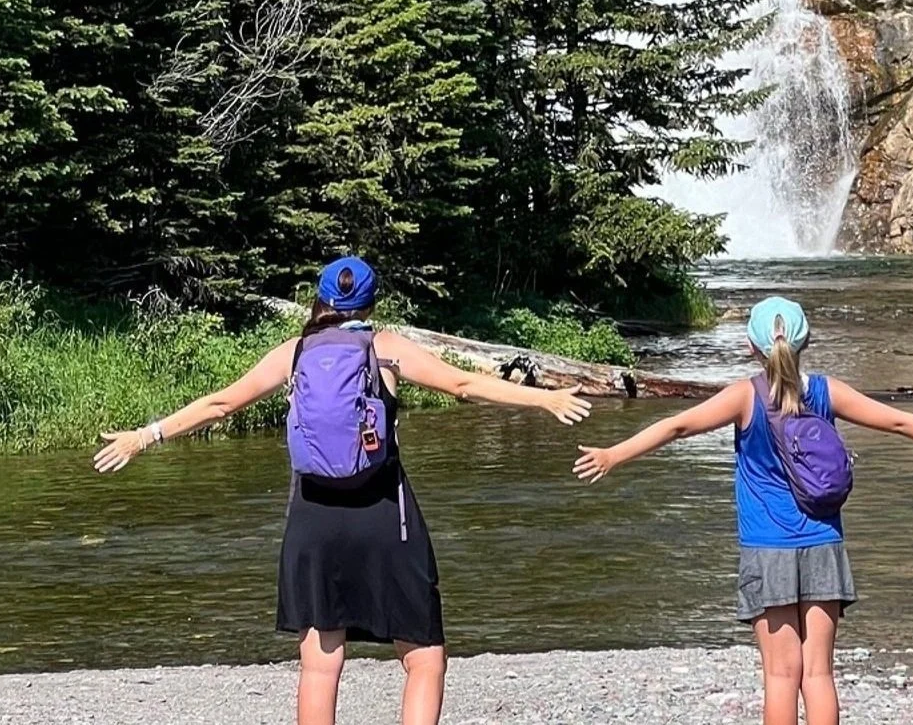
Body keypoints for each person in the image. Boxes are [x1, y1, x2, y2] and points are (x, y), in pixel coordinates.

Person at [93, 256, 593, 725]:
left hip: (313, 518)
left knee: (320, 661)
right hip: (382, 514)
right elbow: (464, 386)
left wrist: (144, 436)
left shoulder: (295, 353)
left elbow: (221, 404)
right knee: (423, 656)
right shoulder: (386, 348)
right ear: (371, 303)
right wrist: (544, 399)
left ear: (320, 300)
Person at [572, 296, 913, 725]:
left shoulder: (745, 397)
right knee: (819, 673)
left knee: (781, 676)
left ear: (751, 347)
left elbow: (677, 425)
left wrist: (615, 454)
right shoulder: (826, 392)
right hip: (824, 544)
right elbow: (899, 421)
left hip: (767, 551)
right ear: (806, 343)